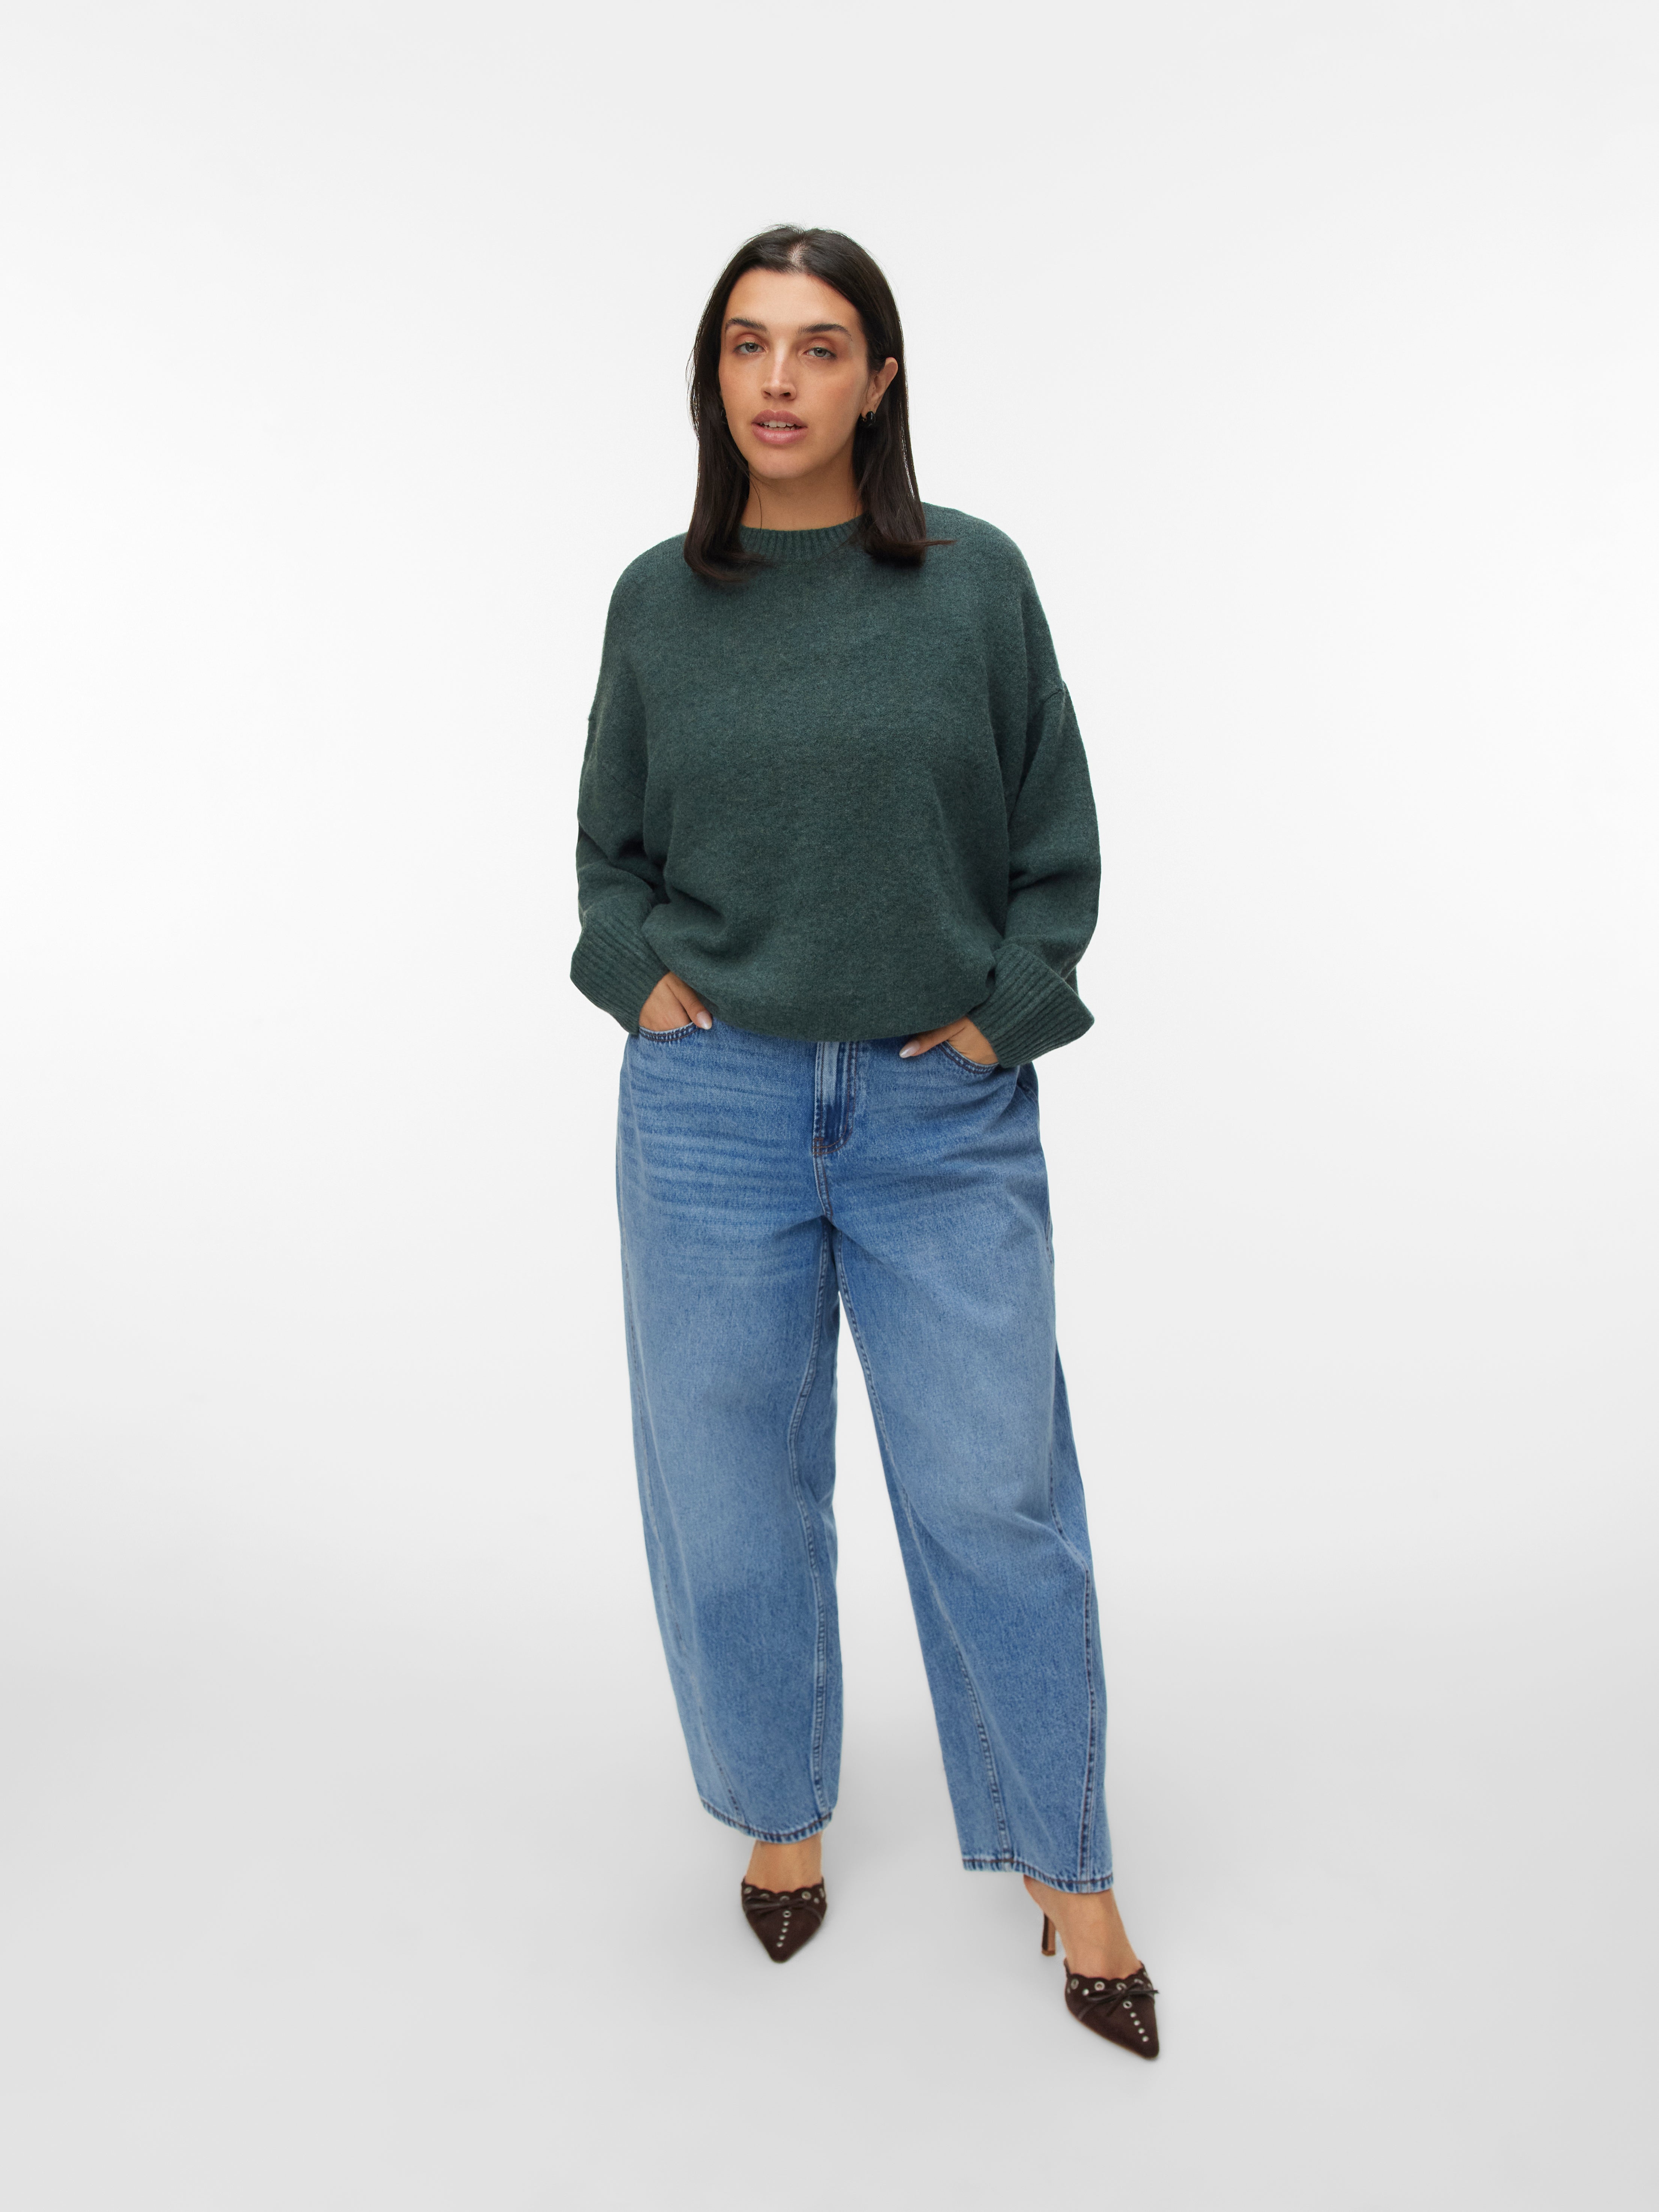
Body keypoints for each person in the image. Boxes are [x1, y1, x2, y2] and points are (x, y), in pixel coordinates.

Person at [570, 225, 1159, 2056]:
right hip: (713, 1109)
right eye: (748, 344)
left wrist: (1009, 1004)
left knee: (993, 1491)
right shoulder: (659, 600)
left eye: (821, 346)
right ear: (713, 374)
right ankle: (780, 1814)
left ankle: (1070, 1867)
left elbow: (1052, 830)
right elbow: (608, 851)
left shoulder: (972, 583)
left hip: (936, 1109)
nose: (780, 379)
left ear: (878, 380)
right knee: (729, 1496)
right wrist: (634, 972)